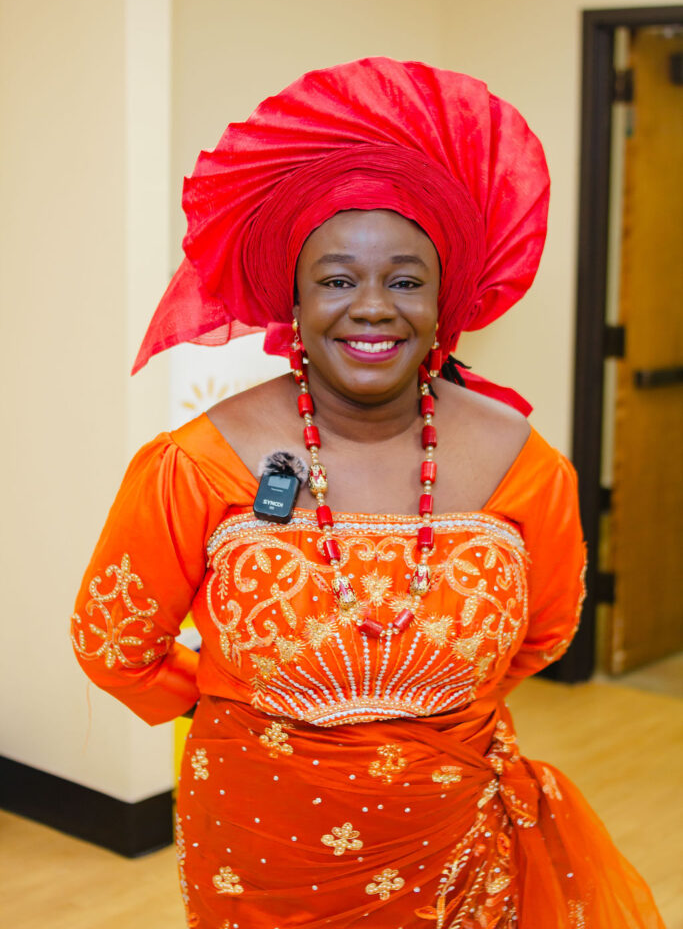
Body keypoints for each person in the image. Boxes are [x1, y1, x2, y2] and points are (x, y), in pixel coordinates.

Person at [71, 58, 664, 928]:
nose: (373, 307)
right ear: (293, 298)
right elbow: (113, 639)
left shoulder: (524, 463)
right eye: (337, 279)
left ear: (445, 298)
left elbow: (543, 632)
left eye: (406, 280)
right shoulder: (198, 462)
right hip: (259, 840)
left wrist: (425, 715)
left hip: (456, 831)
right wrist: (242, 704)